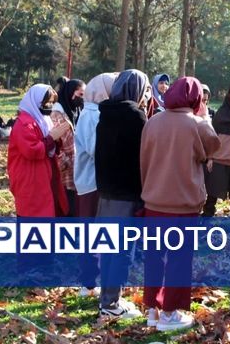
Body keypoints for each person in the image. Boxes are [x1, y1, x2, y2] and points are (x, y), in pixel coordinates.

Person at [140, 76, 220, 331]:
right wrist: (205, 117)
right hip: (183, 202)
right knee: (178, 258)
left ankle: (153, 308)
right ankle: (169, 312)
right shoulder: (196, 124)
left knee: (154, 256)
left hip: (154, 198)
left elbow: (143, 160)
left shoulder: (152, 122)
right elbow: (213, 147)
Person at [95, 69, 150, 319]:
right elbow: (143, 156)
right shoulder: (135, 116)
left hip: (106, 190)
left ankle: (106, 297)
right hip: (126, 192)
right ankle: (111, 304)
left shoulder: (105, 114)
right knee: (122, 251)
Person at [73, 72, 117, 296]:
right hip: (92, 182)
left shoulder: (95, 111)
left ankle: (91, 279)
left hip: (94, 180)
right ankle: (89, 282)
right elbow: (95, 149)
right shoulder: (92, 114)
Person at [8, 84, 70, 217]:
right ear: (36, 102)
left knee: (51, 209)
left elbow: (53, 146)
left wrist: (57, 138)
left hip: (46, 173)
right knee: (34, 213)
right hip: (31, 177)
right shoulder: (24, 123)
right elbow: (32, 151)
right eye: (47, 103)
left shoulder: (44, 120)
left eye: (52, 102)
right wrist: (52, 137)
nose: (49, 106)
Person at [202, 82, 230, 217]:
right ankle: (207, 216)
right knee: (212, 194)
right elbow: (213, 137)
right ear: (229, 94)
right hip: (219, 159)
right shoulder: (221, 113)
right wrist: (210, 157)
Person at [51, 78, 86, 216]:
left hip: (75, 171)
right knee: (65, 209)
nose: (82, 99)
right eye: (80, 95)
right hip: (64, 173)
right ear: (71, 93)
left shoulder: (76, 111)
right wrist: (66, 163)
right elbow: (54, 145)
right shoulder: (57, 114)